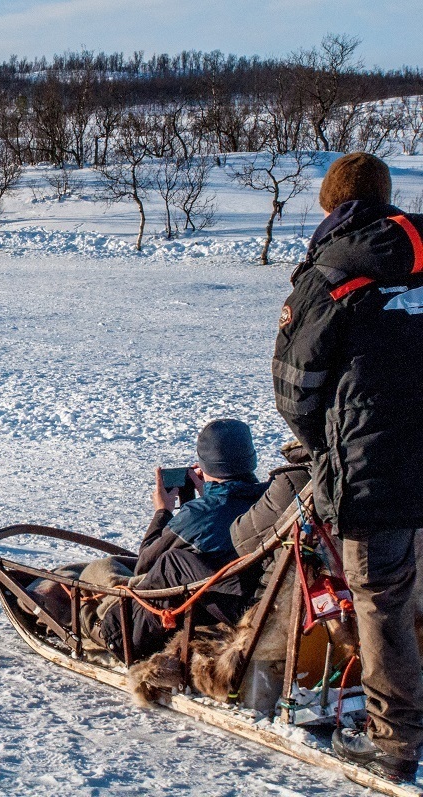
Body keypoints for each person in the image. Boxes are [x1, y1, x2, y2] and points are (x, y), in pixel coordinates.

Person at [272, 152, 423, 783]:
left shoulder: (329, 273)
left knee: (382, 596)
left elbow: (294, 385)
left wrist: (322, 444)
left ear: (331, 205)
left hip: (373, 465)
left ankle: (394, 742)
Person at [96, 419, 267, 660]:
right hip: (231, 602)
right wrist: (207, 495)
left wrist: (162, 511)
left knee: (102, 570)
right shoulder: (266, 502)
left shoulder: (199, 514)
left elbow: (145, 564)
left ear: (203, 464)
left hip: (191, 610)